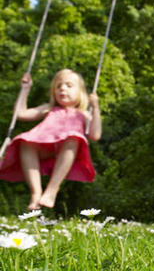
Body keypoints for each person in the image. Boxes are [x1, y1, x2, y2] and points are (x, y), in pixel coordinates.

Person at [0, 69, 102, 210]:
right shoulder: (49, 108)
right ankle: (36, 193)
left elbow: (95, 135)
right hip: (45, 147)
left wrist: (95, 108)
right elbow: (21, 114)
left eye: (69, 85)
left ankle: (52, 191)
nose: (62, 89)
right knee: (25, 143)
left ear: (81, 92)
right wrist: (25, 89)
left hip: (68, 149)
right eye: (58, 86)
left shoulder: (83, 114)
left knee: (73, 138)